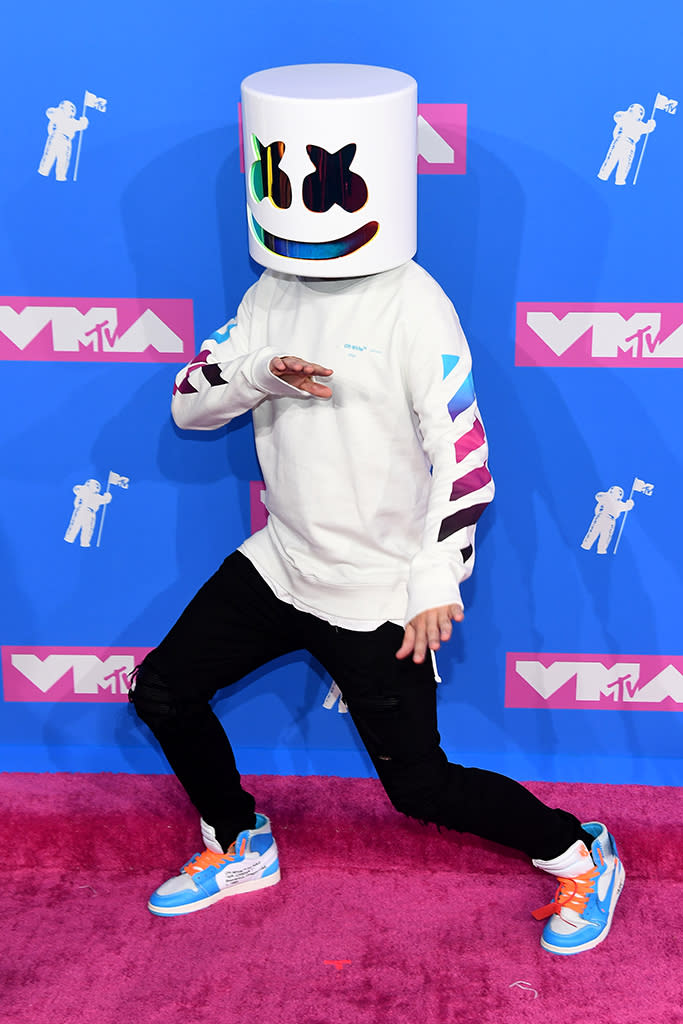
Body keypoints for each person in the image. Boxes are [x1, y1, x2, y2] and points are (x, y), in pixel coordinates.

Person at [129, 64, 624, 956]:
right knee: (163, 690)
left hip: (377, 594)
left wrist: (435, 574)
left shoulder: (412, 303)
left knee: (420, 788)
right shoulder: (266, 293)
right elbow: (185, 404)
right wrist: (256, 373)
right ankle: (239, 839)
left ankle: (579, 849)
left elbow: (463, 452)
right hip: (283, 562)